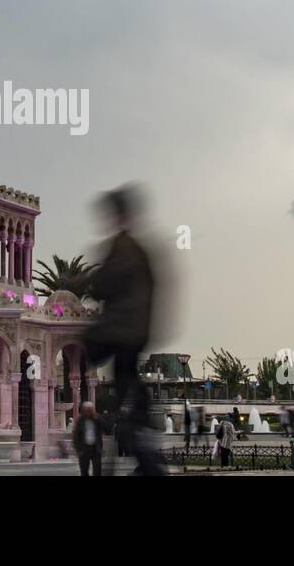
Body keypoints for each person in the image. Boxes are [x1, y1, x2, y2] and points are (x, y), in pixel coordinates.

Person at [80, 184, 166, 476]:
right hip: (134, 332)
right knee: (127, 380)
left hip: (123, 332)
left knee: (120, 376)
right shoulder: (139, 248)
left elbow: (106, 283)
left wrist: (89, 282)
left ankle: (134, 430)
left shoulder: (124, 246)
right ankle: (139, 434)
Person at [72, 401, 105, 477]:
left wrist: (97, 418)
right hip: (84, 448)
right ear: (83, 410)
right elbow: (76, 435)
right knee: (84, 470)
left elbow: (105, 427)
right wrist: (78, 449)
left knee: (97, 470)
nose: (89, 412)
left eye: (90, 409)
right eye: (87, 410)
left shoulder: (97, 418)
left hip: (96, 448)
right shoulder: (80, 420)